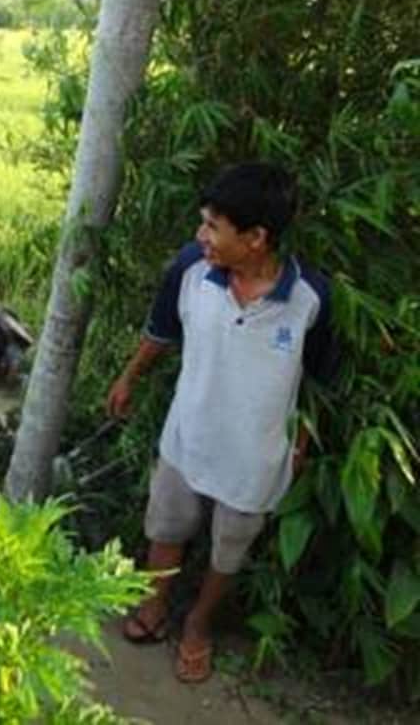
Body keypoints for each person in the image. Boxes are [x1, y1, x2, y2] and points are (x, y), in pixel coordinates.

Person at [106, 163, 339, 684]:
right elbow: (162, 333)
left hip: (255, 459)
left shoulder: (311, 301)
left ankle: (198, 624)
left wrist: (299, 448)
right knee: (165, 528)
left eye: (213, 226)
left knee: (228, 550)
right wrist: (129, 378)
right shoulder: (191, 269)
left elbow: (318, 387)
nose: (200, 235)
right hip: (186, 437)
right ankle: (155, 604)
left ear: (256, 238)